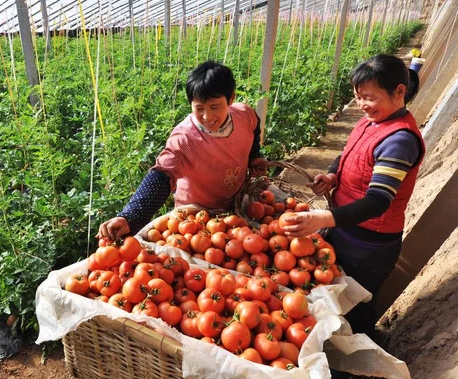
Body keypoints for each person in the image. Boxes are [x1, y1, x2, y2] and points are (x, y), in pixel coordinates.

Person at [282, 54, 425, 336]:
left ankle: (356, 367)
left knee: (356, 305)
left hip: (368, 245)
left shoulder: (400, 140)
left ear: (399, 92)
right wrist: (333, 175)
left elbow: (378, 201)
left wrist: (323, 217)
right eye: (358, 97)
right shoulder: (371, 121)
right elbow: (349, 154)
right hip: (346, 229)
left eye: (369, 97)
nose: (361, 105)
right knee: (335, 296)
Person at [97, 61, 267, 241]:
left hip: (236, 202)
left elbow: (254, 128)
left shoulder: (244, 115)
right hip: (197, 218)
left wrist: (254, 157)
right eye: (199, 108)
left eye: (215, 107)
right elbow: (162, 176)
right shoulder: (185, 139)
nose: (207, 117)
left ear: (231, 99)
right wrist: (130, 217)